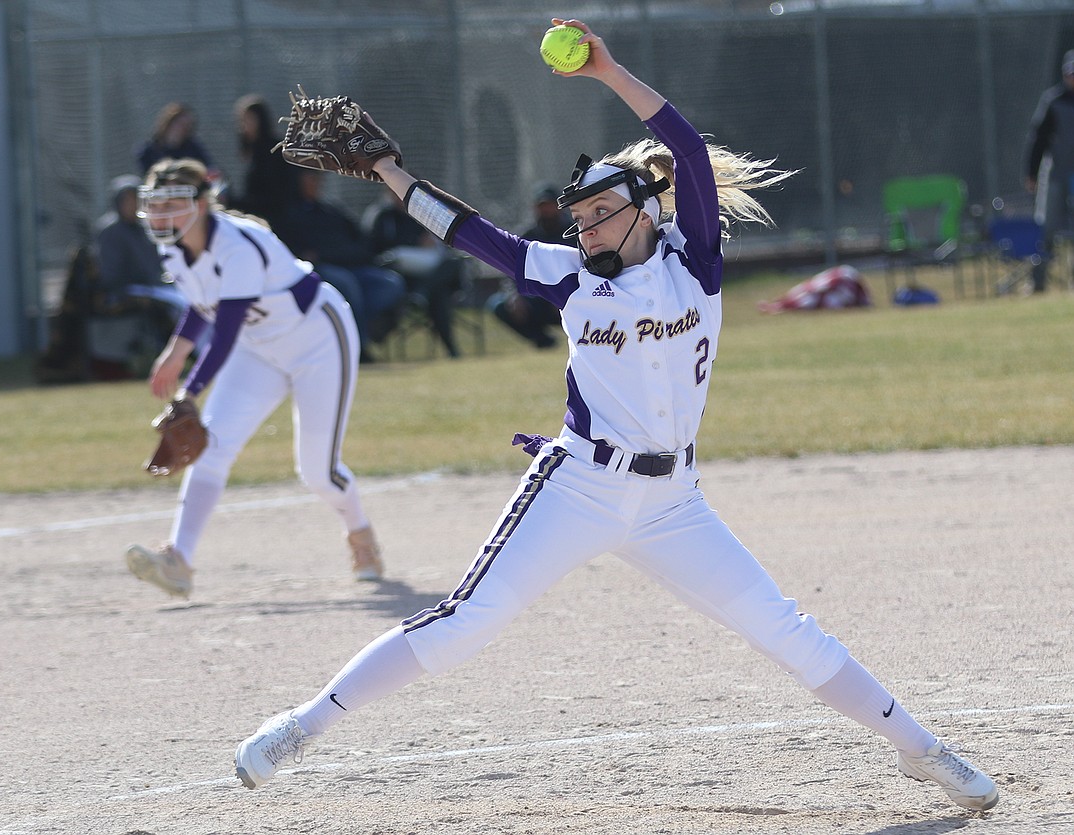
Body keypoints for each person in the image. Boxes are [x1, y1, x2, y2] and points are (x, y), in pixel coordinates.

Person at [234, 19, 999, 813]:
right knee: (464, 623)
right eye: (579, 217)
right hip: (580, 487)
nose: (584, 227)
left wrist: (608, 72)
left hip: (677, 504)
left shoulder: (694, 264)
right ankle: (302, 725)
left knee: (788, 632)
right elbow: (470, 232)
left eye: (600, 212)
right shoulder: (569, 278)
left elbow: (689, 154)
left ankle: (922, 748)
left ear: (646, 210)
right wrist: (393, 173)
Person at [124, 157, 385, 600]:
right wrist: (175, 351)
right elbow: (200, 304)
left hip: (316, 339)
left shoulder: (237, 246)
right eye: (157, 205)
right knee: (210, 447)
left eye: (174, 204)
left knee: (318, 472)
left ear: (203, 205)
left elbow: (224, 329)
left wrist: (189, 391)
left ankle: (361, 538)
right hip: (258, 347)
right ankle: (178, 560)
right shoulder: (173, 246)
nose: (163, 215)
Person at [284, 170, 406, 361]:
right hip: (321, 270)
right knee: (348, 284)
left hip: (351, 265)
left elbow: (362, 242)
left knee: (390, 283)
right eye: (309, 178)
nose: (315, 183)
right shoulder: (291, 214)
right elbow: (300, 254)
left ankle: (363, 323)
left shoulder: (331, 210)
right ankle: (358, 347)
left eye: (317, 178)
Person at [88, 175, 185, 378]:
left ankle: (190, 355)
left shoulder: (145, 228)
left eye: (137, 200)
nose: (133, 205)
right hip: (125, 289)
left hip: (154, 287)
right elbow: (111, 274)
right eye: (128, 201)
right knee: (173, 307)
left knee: (187, 301)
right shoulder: (110, 231)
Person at [366, 192, 464, 358]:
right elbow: (378, 249)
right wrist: (416, 242)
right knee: (436, 293)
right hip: (400, 274)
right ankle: (451, 348)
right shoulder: (382, 215)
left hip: (428, 275)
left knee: (451, 267)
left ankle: (421, 294)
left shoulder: (421, 215)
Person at [486, 184, 567, 349]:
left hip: (568, 298)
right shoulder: (527, 237)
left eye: (550, 205)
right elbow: (510, 271)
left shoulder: (573, 234)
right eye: (542, 206)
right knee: (498, 304)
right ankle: (542, 340)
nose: (546, 210)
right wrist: (513, 296)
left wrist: (563, 293)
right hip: (537, 298)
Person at [224, 94, 303, 248]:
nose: (244, 126)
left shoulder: (273, 151)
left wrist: (233, 202)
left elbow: (272, 194)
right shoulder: (252, 152)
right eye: (242, 120)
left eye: (249, 119)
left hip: (278, 222)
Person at [1024, 49, 1074, 293]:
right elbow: (1039, 139)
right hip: (1056, 175)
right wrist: (1032, 173)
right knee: (1047, 229)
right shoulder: (1053, 101)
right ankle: (1038, 282)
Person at [136, 102, 217, 177]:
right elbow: (147, 175)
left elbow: (208, 167)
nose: (183, 128)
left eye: (188, 125)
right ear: (169, 122)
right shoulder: (150, 149)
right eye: (180, 124)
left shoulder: (193, 147)